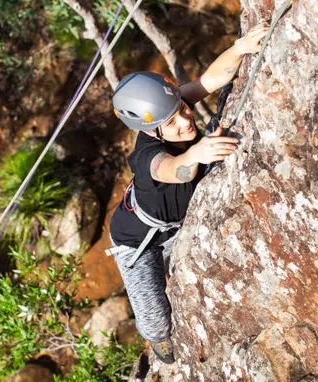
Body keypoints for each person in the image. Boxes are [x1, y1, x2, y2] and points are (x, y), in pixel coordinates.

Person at [106, 24, 270, 364]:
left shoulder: (171, 109)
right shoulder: (147, 154)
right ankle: (155, 342)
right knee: (158, 322)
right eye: (173, 121)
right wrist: (195, 155)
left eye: (183, 108)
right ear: (153, 129)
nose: (185, 120)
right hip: (137, 240)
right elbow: (170, 169)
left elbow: (209, 81)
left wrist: (240, 47)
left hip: (174, 225)